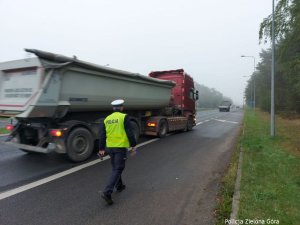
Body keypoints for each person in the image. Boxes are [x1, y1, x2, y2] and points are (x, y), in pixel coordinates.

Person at [98, 99, 137, 205]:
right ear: (122, 108)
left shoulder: (107, 119)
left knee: (115, 167)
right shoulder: (124, 117)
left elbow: (102, 135)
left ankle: (119, 185)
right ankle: (107, 192)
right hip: (120, 148)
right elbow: (129, 132)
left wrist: (101, 149)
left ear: (113, 108)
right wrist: (133, 146)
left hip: (110, 148)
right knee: (118, 168)